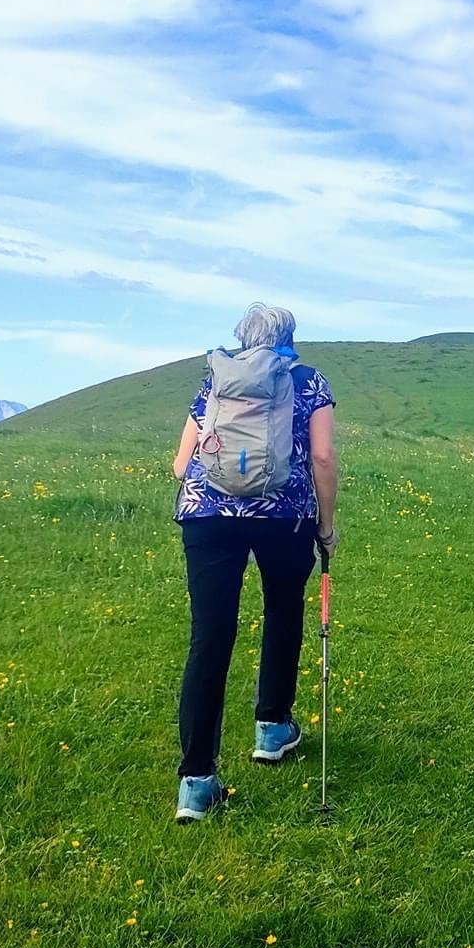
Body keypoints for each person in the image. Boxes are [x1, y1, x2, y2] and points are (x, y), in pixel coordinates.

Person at [168, 304, 338, 822]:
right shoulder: (308, 381)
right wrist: (327, 526)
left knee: (210, 637)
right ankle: (272, 728)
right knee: (283, 613)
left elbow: (180, 464)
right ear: (290, 336)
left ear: (241, 337)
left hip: (207, 515)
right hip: (284, 516)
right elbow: (323, 457)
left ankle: (197, 782)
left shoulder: (216, 379)